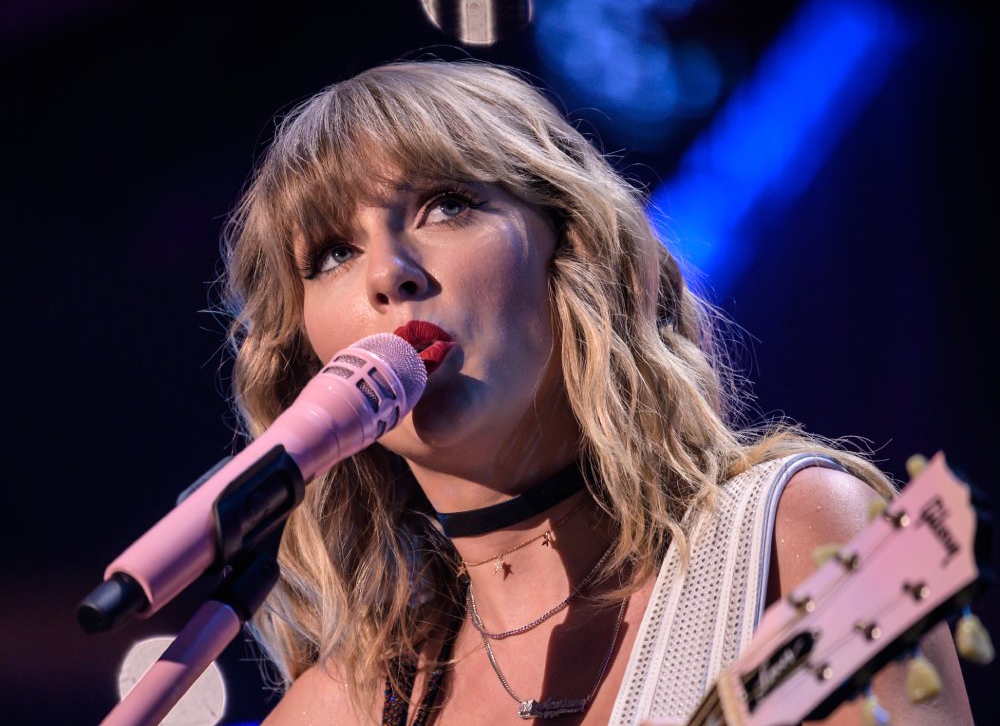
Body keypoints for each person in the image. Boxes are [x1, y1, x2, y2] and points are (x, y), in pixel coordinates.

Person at [220, 60, 973, 725]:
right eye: (332, 253)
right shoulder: (343, 707)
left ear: (572, 248)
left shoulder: (796, 536)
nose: (391, 272)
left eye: (446, 203)